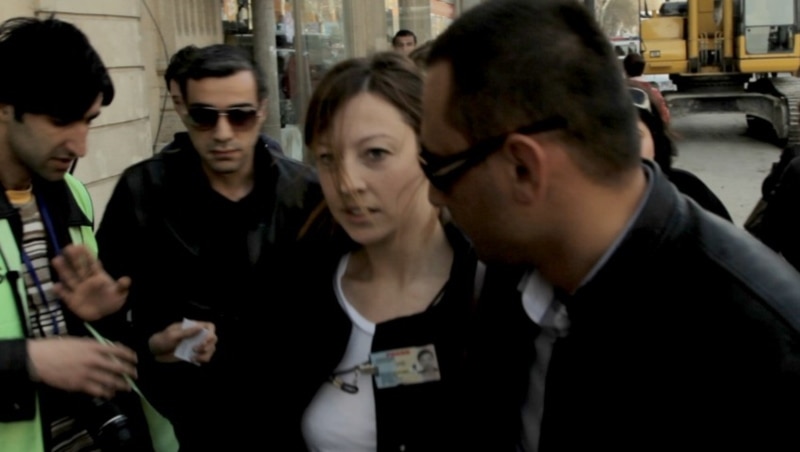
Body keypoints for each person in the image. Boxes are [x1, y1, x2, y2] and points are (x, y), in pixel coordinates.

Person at [419, 0, 800, 450]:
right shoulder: (508, 268)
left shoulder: (760, 352)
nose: (434, 195)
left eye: (438, 168)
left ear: (523, 169)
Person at [95, 44, 324, 450]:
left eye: (239, 115)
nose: (222, 133)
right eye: (204, 116)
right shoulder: (142, 191)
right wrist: (150, 346)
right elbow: (106, 315)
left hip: (295, 421)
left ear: (262, 111)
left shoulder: (305, 193)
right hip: (190, 425)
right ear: (185, 112)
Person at [290, 51, 479, 451]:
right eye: (327, 158)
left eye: (375, 154)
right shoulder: (299, 287)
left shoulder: (492, 295)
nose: (348, 183)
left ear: (431, 150)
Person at [0, 16, 152, 451]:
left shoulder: (71, 195)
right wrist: (27, 360)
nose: (81, 146)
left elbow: (78, 333)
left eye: (88, 120)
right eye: (61, 120)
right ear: (5, 106)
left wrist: (104, 317)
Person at [629, 83, 732, 220]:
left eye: (634, 135)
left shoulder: (689, 191)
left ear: (655, 140)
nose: (622, 148)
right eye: (606, 138)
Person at [162, 45, 283, 155]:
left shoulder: (271, 152)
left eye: (239, 114)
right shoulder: (163, 164)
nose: (223, 134)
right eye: (177, 102)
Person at [623, 52, 670, 125]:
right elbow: (665, 117)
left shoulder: (620, 92)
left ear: (624, 70)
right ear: (643, 69)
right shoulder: (653, 91)